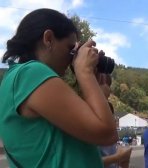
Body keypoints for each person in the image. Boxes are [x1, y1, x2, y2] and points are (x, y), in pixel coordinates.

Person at [0, 8, 118, 168]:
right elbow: (107, 133)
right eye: (71, 50)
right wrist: (84, 72)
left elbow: (71, 139)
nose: (72, 59)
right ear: (48, 39)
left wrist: (95, 89)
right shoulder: (30, 73)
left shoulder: (15, 79)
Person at [97, 73, 132, 168]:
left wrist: (124, 161)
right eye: (107, 84)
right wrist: (118, 157)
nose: (109, 89)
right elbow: (87, 161)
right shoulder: (87, 123)